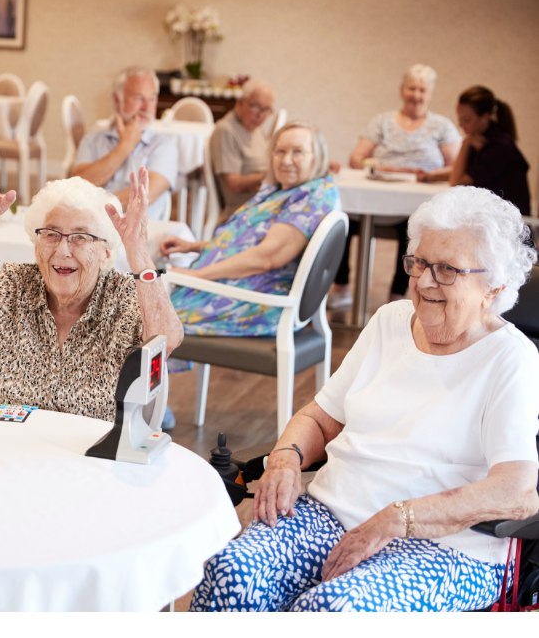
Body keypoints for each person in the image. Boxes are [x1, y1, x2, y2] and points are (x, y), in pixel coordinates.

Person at [191, 185, 539, 612]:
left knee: (333, 607)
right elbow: (320, 418)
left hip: (446, 548)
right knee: (232, 570)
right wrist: (284, 458)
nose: (425, 281)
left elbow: (517, 491)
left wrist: (398, 518)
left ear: (494, 286)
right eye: (420, 263)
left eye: (447, 269)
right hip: (332, 512)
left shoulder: (510, 357)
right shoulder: (389, 321)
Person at [0, 141, 183, 421]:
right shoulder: (14, 286)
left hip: (87, 455)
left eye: (80, 237)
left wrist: (140, 256)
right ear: (36, 245)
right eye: (51, 234)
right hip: (6, 448)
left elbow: (166, 341)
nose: (62, 250)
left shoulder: (124, 296)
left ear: (106, 253)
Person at [161, 122, 338, 337]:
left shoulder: (312, 196)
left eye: (298, 152)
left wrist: (196, 274)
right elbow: (247, 242)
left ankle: (142, 369)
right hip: (232, 287)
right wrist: (194, 246)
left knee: (144, 317)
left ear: (317, 157)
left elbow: (267, 257)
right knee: (135, 303)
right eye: (280, 151)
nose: (286, 160)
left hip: (255, 300)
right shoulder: (283, 191)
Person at [334, 64, 463, 306]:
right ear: (401, 90)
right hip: (374, 197)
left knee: (414, 228)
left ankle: (397, 295)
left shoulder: (442, 126)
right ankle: (341, 286)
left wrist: (427, 174)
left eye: (422, 90)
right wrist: (391, 169)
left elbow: (456, 166)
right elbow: (356, 158)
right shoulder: (381, 121)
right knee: (341, 219)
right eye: (411, 88)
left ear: (430, 94)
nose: (416, 95)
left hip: (416, 202)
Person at [71, 67, 178, 220]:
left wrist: (94, 210)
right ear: (117, 100)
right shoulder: (92, 141)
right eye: (139, 98)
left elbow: (146, 194)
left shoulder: (165, 146)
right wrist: (125, 145)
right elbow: (78, 186)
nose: (147, 107)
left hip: (137, 238)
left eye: (152, 98)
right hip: (91, 232)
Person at [450, 86, 530, 215]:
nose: (460, 124)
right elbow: (464, 171)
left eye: (466, 120)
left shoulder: (499, 147)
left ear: (485, 117)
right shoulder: (482, 137)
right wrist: (430, 176)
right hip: (494, 217)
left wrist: (465, 143)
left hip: (509, 226)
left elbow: (456, 183)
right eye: (459, 118)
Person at [211, 80, 275, 221]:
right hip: (245, 210)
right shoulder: (226, 130)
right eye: (256, 107)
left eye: (266, 110)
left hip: (265, 201)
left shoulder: (256, 129)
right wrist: (269, 175)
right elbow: (234, 184)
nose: (261, 116)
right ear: (240, 102)